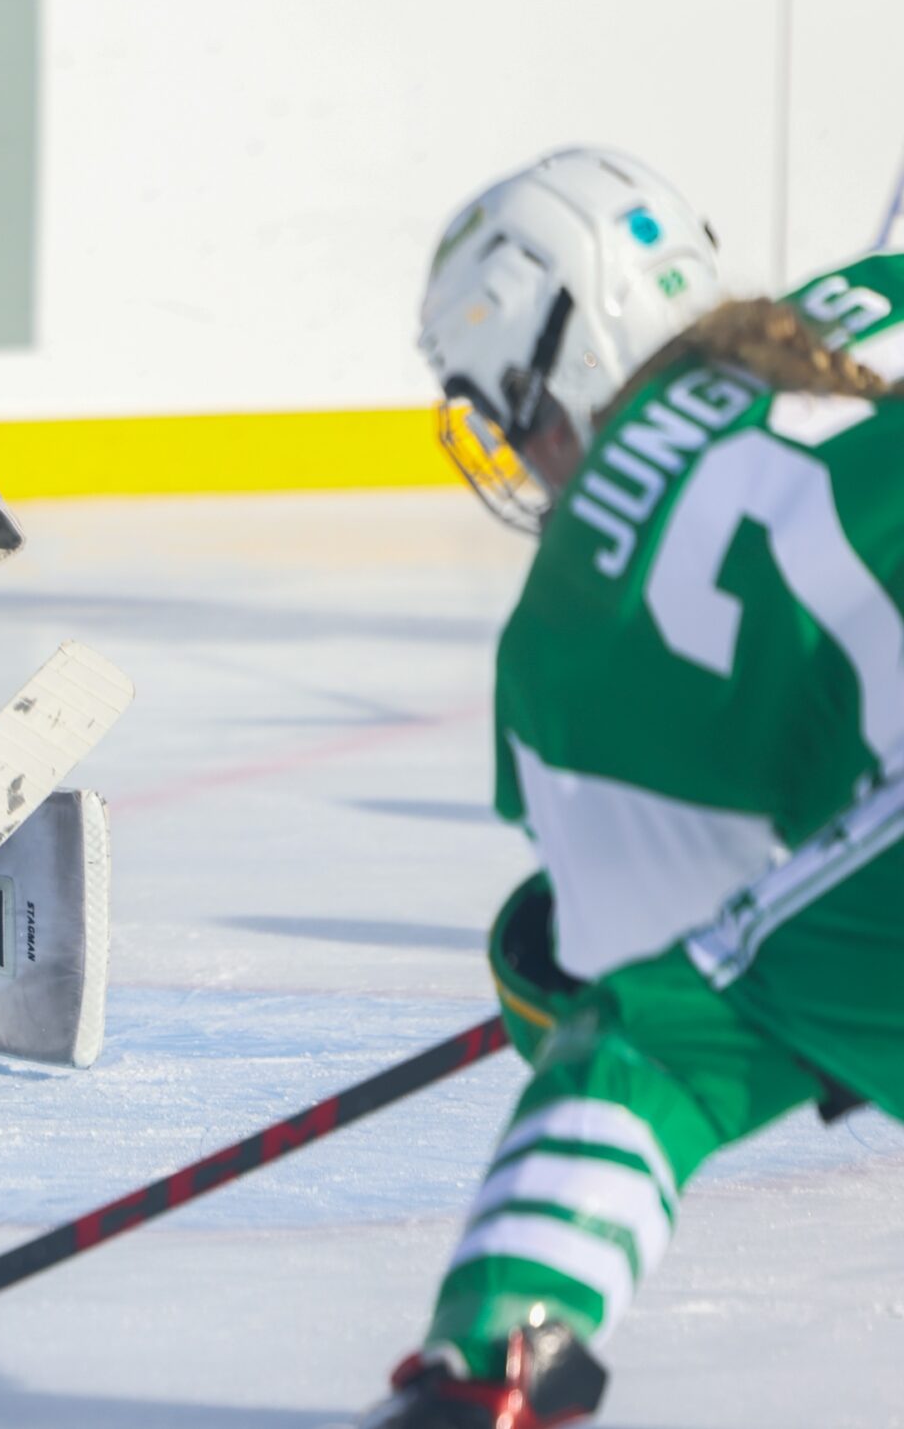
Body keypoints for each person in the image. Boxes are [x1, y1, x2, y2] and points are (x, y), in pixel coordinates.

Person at [363, 145, 904, 1427]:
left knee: (656, 1038)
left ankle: (490, 1364)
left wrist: (563, 977)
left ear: (549, 379)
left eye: (509, 414)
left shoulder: (569, 623)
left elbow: (655, 973)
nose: (523, 452)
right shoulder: (873, 295)